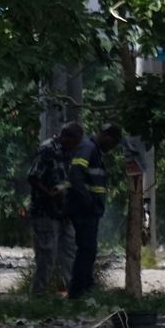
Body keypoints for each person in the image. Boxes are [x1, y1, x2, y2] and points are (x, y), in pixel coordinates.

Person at [65, 122, 121, 299]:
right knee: (86, 249)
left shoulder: (93, 150)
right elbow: (75, 175)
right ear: (106, 136)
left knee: (88, 249)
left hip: (89, 210)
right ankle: (78, 291)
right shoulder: (88, 148)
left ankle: (85, 287)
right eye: (112, 144)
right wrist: (88, 201)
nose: (111, 149)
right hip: (84, 210)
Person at [27, 124, 79, 296]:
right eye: (74, 141)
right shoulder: (48, 149)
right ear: (65, 137)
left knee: (69, 252)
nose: (75, 146)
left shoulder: (69, 152)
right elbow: (33, 177)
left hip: (64, 212)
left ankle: (73, 293)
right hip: (45, 212)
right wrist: (50, 194)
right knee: (46, 255)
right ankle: (39, 294)